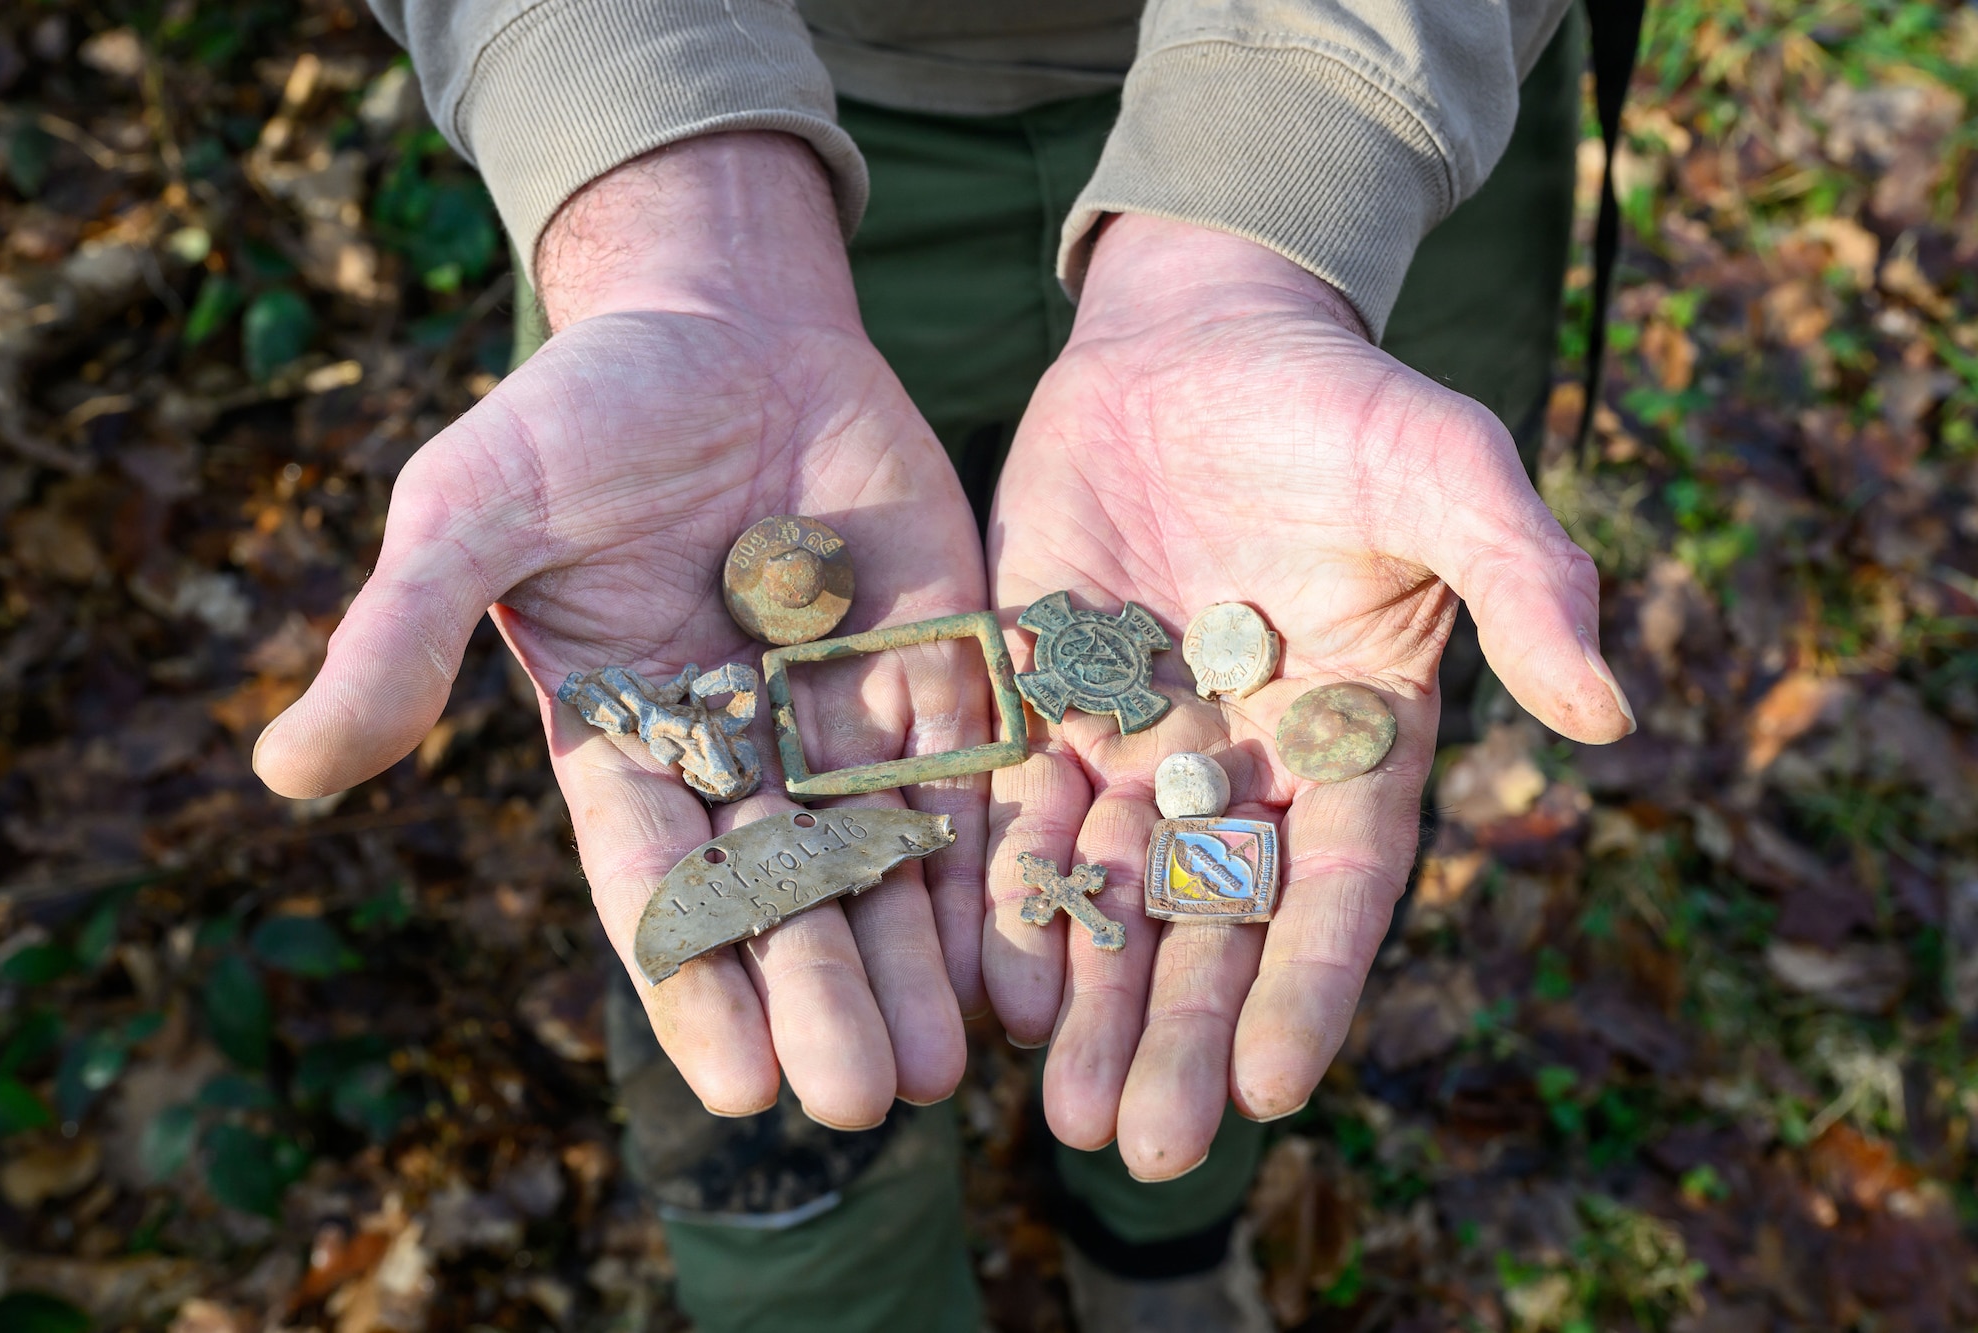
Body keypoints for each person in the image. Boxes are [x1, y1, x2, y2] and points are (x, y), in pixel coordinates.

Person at [253, 1, 1636, 1328]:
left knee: (1263, 888)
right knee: (760, 960)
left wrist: (1274, 198)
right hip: (742, 104)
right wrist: (672, 212)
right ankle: (839, 1294)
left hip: (1375, 132)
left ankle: (1163, 1240)